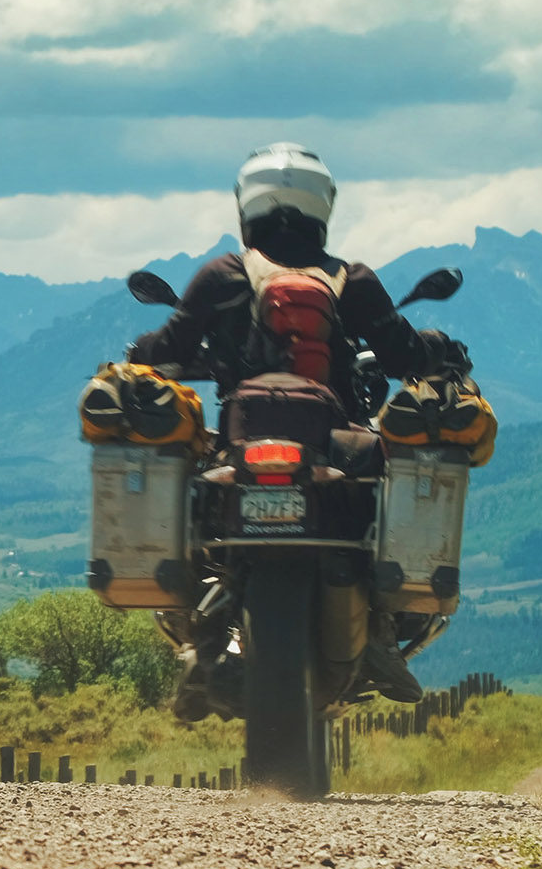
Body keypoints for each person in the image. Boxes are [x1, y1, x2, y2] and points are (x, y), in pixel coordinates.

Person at [127, 142, 468, 716]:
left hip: (238, 444)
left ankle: (199, 642)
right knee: (378, 492)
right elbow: (402, 351)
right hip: (333, 443)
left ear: (247, 206)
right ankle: (381, 634)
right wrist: (436, 349)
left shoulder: (223, 275)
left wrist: (142, 352)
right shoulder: (351, 280)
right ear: (321, 207)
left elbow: (171, 346)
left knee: (194, 501)